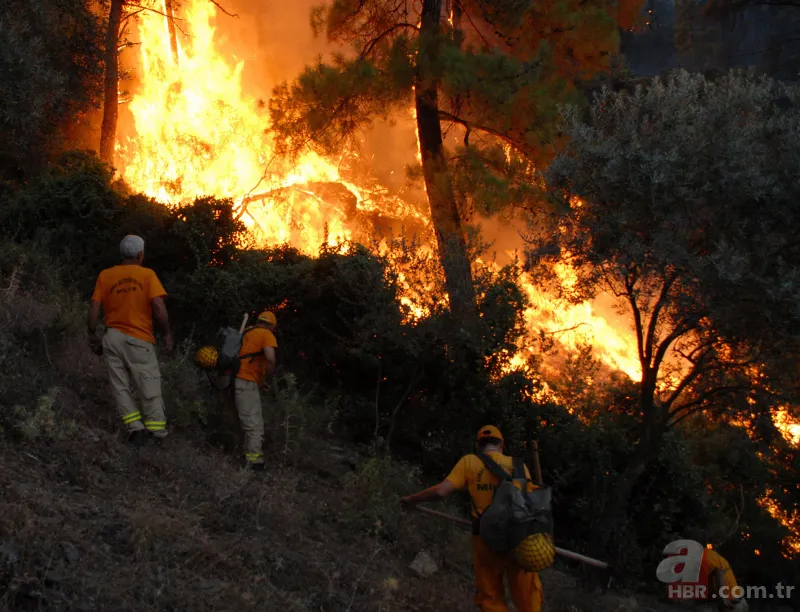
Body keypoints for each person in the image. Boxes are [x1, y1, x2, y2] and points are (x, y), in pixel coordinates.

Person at [400, 426, 544, 612]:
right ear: (502, 445)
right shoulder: (519, 466)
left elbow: (441, 492)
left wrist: (411, 499)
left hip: (486, 541)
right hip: (520, 541)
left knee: (491, 600)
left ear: (478, 445)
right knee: (528, 600)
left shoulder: (469, 462)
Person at [88, 235, 173, 447]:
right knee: (149, 384)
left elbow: (94, 307)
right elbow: (159, 307)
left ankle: (135, 429)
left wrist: (93, 334)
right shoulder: (147, 275)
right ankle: (157, 434)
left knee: (119, 386)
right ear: (140, 255)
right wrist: (167, 334)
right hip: (139, 338)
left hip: (113, 337)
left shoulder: (106, 275)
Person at [233, 311, 278, 471]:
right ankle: (254, 463)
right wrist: (268, 379)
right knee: (254, 424)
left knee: (241, 421)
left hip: (232, 380)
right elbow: (270, 359)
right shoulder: (266, 334)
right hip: (246, 382)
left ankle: (241, 454)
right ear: (272, 326)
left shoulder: (247, 331)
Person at [704, 547, 748, 611]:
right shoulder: (711, 555)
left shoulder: (703, 558)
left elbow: (719, 572)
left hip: (732, 605)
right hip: (739, 602)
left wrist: (723, 599)